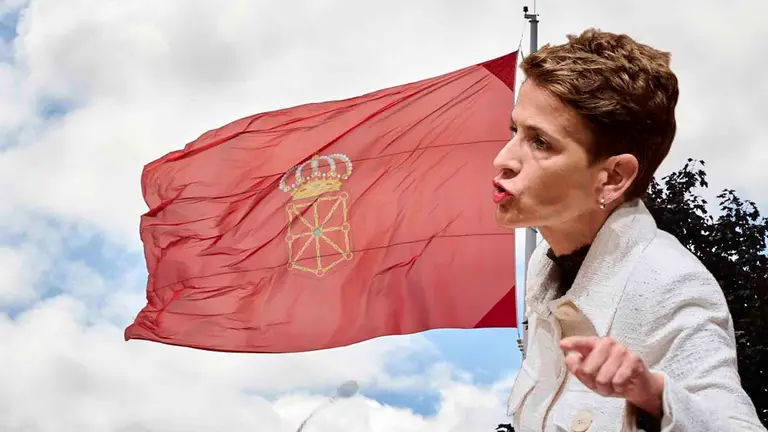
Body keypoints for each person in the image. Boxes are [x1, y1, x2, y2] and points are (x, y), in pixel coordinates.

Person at [493, 28, 766, 431]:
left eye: (541, 143)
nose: (503, 160)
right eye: (515, 131)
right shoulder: (546, 260)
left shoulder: (674, 285)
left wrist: (655, 398)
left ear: (613, 177)